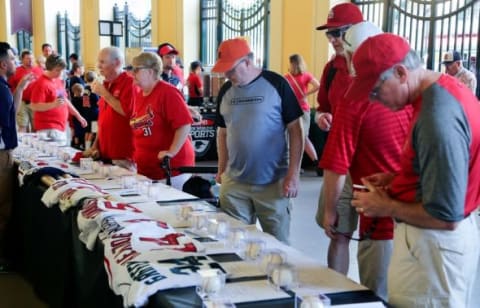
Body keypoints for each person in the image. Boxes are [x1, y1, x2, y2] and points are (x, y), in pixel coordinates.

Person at [348, 33, 480, 307]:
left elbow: (446, 216)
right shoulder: (439, 93)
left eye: (375, 91)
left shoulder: (437, 117)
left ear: (400, 72)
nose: (374, 101)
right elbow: (448, 172)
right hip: (431, 249)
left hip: (434, 250)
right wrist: (399, 179)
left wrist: (385, 206)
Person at [318, 21, 412, 301]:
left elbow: (336, 164)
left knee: (377, 293)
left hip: (380, 216)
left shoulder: (354, 100)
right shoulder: (417, 95)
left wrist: (329, 211)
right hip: (416, 215)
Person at [212, 38, 304, 244]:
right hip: (235, 184)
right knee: (235, 244)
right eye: (224, 70)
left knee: (278, 246)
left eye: (231, 70)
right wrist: (221, 169)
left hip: (273, 183)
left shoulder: (277, 84)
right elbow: (223, 132)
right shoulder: (226, 91)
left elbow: (296, 130)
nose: (227, 75)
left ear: (247, 62)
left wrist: (293, 175)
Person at [313, 2, 363, 275]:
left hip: (373, 167)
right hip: (340, 165)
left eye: (338, 32)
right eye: (329, 34)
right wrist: (322, 117)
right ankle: (337, 291)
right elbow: (323, 106)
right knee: (338, 233)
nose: (333, 40)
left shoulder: (379, 68)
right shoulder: (331, 69)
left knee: (378, 241)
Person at [130, 52, 195, 189]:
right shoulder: (139, 94)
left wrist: (171, 152)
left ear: (150, 71)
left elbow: (184, 124)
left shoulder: (167, 92)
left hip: (171, 170)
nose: (132, 73)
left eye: (136, 69)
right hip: (148, 170)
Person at [0, 42, 34, 271]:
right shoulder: (0, 89)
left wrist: (20, 88)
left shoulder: (4, 88)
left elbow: (10, 112)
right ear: (3, 64)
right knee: (3, 207)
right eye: (13, 58)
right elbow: (7, 121)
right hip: (1, 155)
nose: (16, 62)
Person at [85, 47, 137, 170]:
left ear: (117, 63)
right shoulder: (106, 84)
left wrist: (105, 94)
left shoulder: (129, 83)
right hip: (105, 153)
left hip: (123, 154)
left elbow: (127, 112)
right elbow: (103, 119)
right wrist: (95, 145)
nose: (98, 66)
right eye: (98, 62)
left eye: (103, 62)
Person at [29, 54, 87, 145]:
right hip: (48, 128)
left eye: (62, 70)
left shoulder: (57, 80)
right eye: (57, 70)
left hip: (60, 126)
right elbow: (34, 105)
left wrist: (78, 115)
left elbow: (64, 99)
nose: (60, 73)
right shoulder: (41, 83)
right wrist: (53, 104)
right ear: (49, 68)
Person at [284, 54, 320, 174]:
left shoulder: (289, 77)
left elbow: (318, 86)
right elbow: (317, 86)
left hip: (297, 110)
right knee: (300, 137)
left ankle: (313, 162)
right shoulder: (302, 76)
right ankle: (313, 163)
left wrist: (306, 94)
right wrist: (306, 94)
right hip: (300, 109)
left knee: (301, 138)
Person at [8, 49, 43, 132]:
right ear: (22, 59)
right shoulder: (16, 71)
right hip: (21, 102)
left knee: (36, 127)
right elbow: (11, 86)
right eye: (27, 58)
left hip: (35, 102)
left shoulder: (39, 70)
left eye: (32, 58)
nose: (30, 60)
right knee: (23, 125)